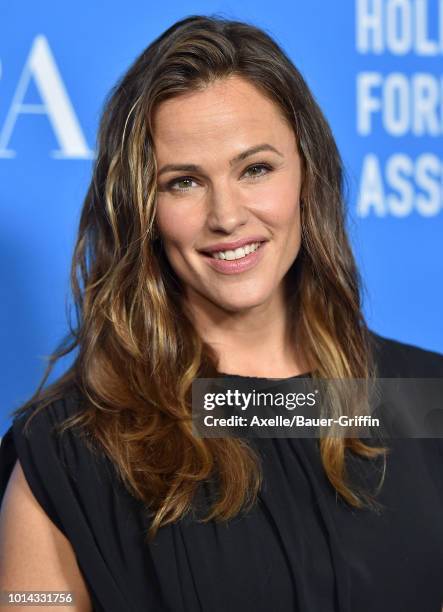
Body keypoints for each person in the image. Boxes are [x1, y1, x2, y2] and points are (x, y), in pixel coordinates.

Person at [0, 14, 442, 612]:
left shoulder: (424, 401)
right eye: (183, 182)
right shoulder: (67, 454)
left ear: (309, 174)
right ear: (141, 211)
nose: (226, 216)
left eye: (255, 168)